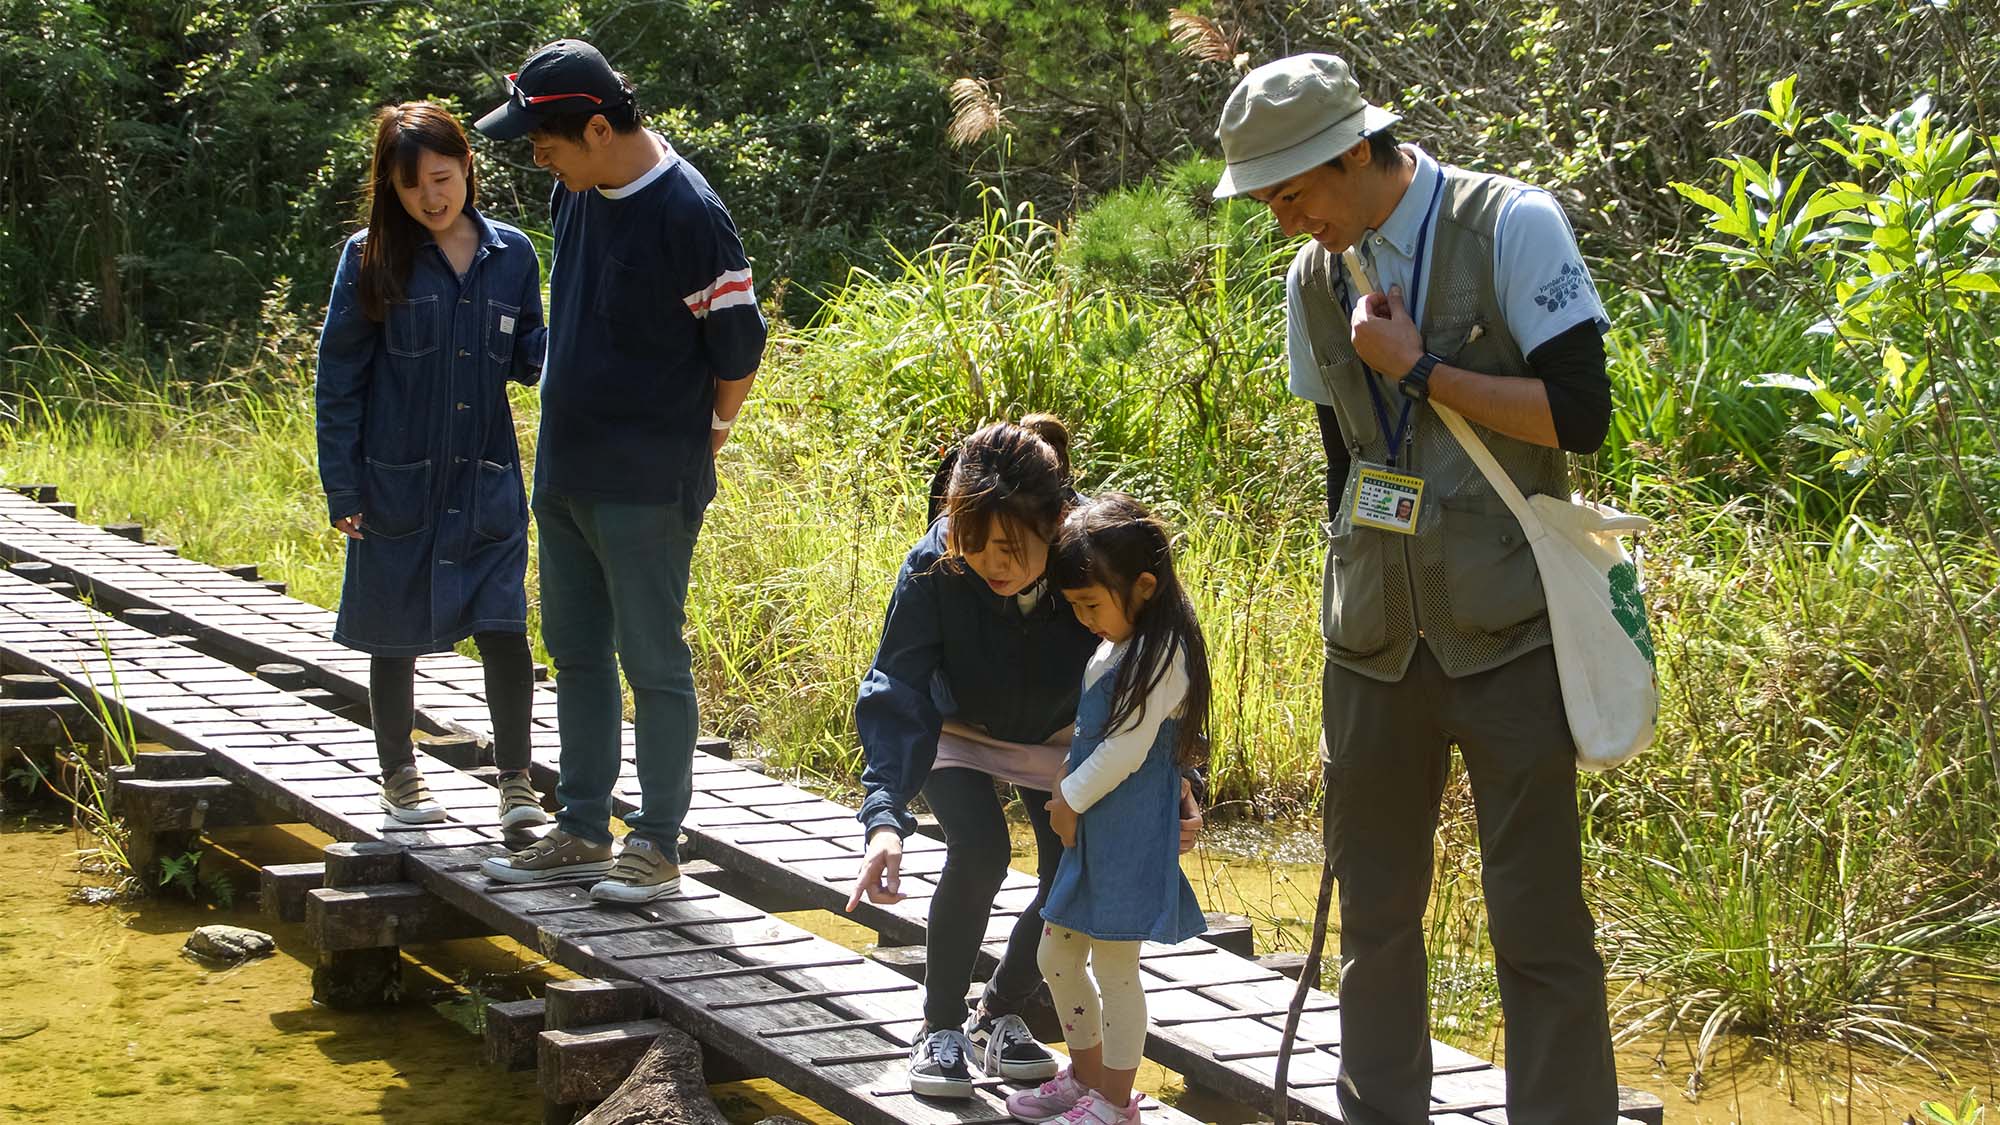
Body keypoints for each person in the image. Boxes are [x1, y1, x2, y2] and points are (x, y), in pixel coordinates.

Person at [1210, 53, 1619, 1125]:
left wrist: (1421, 371)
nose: (1283, 220)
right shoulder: (1311, 279)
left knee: (1535, 925)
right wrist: (1350, 595)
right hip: (1372, 649)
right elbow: (1344, 462)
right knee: (1374, 926)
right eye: (1266, 201)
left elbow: (1578, 417)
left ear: (1354, 151)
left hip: (1509, 635)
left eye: (1291, 193)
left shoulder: (1510, 224)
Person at [473, 40, 767, 902]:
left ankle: (658, 841)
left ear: (597, 127)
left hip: (647, 482)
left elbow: (739, 348)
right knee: (574, 652)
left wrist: (707, 436)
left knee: (652, 658)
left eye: (545, 141)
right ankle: (581, 825)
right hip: (565, 470)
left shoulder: (689, 213)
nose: (538, 158)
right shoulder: (580, 191)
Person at [846, 419, 1206, 1098]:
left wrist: (1183, 780)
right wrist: (884, 819)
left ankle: (999, 1009)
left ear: (1057, 523)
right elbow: (895, 685)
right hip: (957, 729)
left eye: (1011, 546)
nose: (991, 563)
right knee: (979, 850)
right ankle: (940, 1025)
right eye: (974, 541)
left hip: (1061, 741)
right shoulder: (934, 565)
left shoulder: (1094, 560)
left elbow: (1159, 673)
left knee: (1068, 875)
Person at [314, 102, 548, 829]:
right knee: (394, 630)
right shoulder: (370, 257)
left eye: (442, 179)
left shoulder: (512, 257)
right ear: (391, 187)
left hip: (486, 480)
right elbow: (339, 379)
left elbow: (534, 359)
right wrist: (344, 484)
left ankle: (516, 782)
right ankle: (399, 773)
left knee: (505, 627)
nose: (431, 198)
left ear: (468, 169)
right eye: (412, 187)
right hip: (397, 481)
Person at [1005, 494, 1210, 1125]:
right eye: (1075, 607)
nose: (1085, 618)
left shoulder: (1162, 651)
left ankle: (1118, 1102)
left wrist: (1065, 799)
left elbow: (1126, 749)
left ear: (1144, 586)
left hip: (1122, 831)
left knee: (1116, 967)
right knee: (1055, 956)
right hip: (1090, 828)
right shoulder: (1117, 644)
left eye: (1092, 604)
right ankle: (1088, 1077)